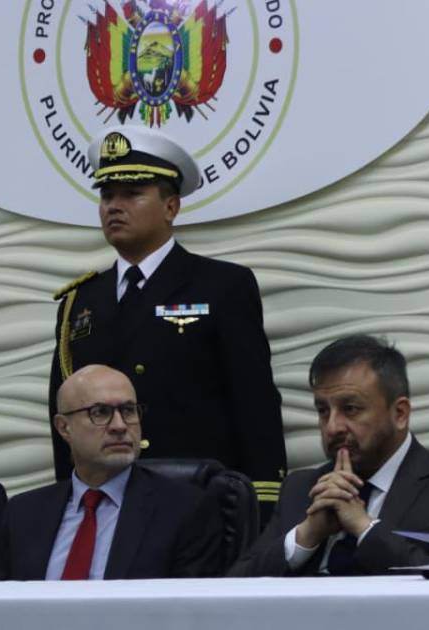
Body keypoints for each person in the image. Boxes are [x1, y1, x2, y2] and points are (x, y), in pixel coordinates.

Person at [49, 125, 286, 518]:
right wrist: (68, 503)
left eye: (132, 194)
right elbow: (65, 416)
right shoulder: (80, 301)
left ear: (171, 207)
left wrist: (261, 501)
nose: (113, 207)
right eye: (107, 195)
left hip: (196, 504)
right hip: (105, 505)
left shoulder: (221, 285)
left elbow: (254, 402)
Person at [228, 335, 429, 576]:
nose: (332, 427)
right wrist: (306, 536)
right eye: (323, 411)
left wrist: (365, 528)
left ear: (400, 414)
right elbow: (233, 590)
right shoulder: (301, 489)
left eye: (350, 409)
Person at [0, 364, 221, 580]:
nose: (120, 426)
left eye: (128, 411)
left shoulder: (185, 510)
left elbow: (189, 605)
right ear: (64, 427)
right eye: (100, 412)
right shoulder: (22, 514)